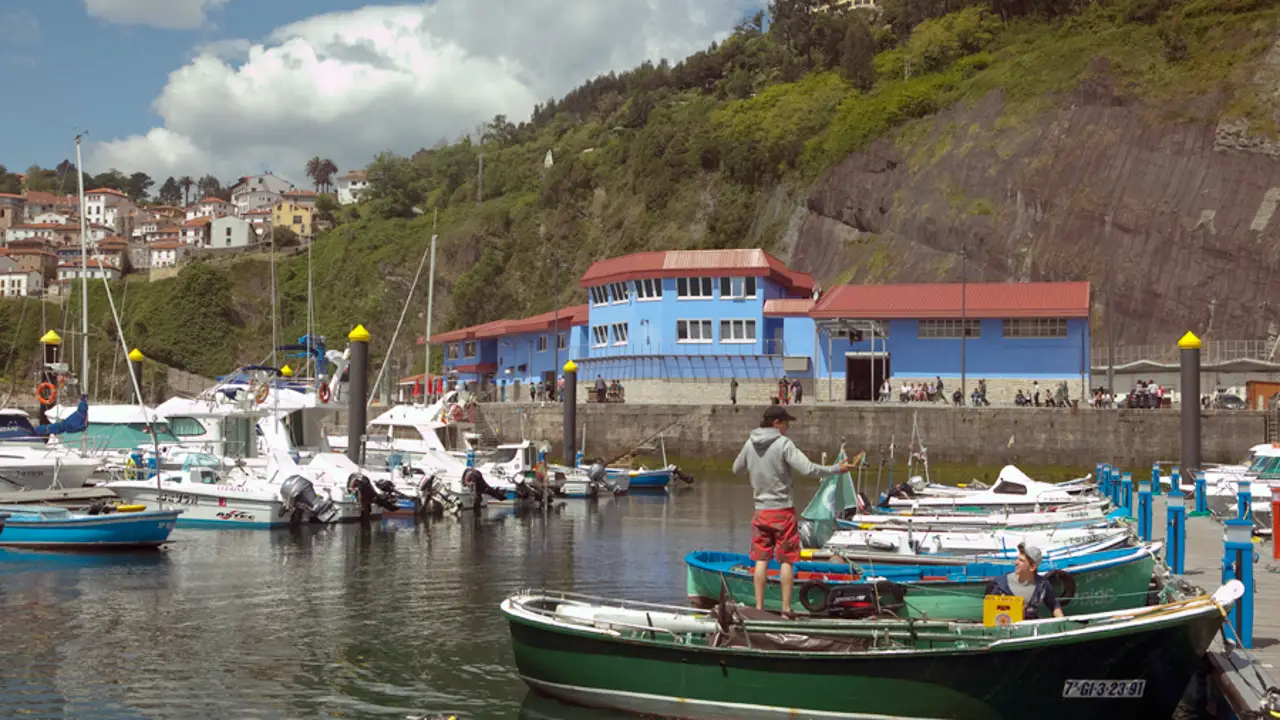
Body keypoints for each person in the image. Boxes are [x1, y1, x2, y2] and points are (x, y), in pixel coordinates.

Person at [732, 406, 856, 617]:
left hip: (760, 511)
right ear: (776, 423)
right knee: (787, 560)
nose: (788, 427)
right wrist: (836, 469)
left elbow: (736, 469)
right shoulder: (783, 444)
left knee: (761, 560)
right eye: (787, 423)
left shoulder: (750, 443)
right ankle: (786, 608)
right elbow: (808, 469)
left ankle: (759, 609)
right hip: (782, 511)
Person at [984, 543, 1065, 620]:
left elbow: (1053, 605)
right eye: (1017, 559)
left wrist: (1062, 621)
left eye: (1021, 560)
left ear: (1032, 567)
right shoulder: (1000, 584)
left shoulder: (1042, 585)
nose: (1016, 562)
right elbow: (989, 612)